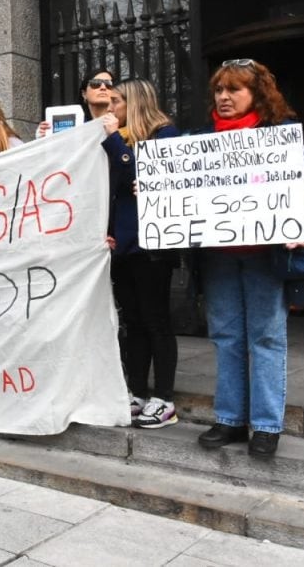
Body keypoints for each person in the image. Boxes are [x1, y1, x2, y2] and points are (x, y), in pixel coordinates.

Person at [195, 59, 304, 459]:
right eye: (219, 90)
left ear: (257, 94)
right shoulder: (201, 139)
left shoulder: (281, 134)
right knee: (226, 336)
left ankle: (267, 426)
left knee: (266, 337)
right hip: (219, 257)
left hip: (265, 256)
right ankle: (230, 419)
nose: (223, 97)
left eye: (233, 89)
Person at [101, 79, 180, 428]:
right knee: (133, 321)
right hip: (123, 243)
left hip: (153, 246)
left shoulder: (164, 135)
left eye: (116, 101)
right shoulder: (118, 138)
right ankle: (137, 391)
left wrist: (115, 141)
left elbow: (140, 172)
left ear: (133, 103)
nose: (110, 108)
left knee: (155, 320)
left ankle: (164, 398)